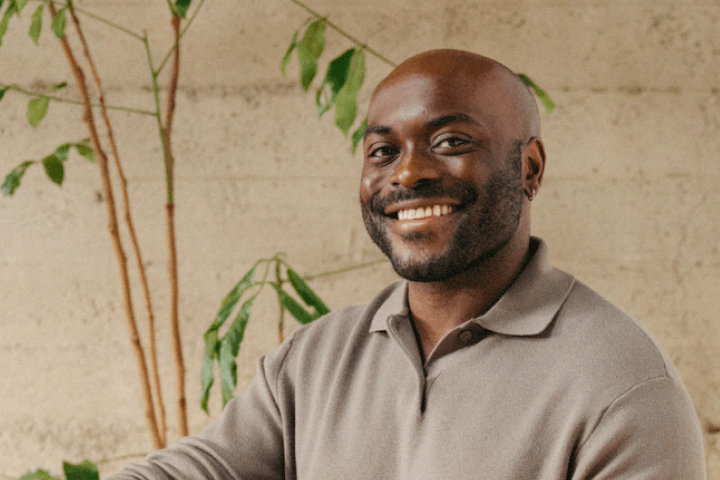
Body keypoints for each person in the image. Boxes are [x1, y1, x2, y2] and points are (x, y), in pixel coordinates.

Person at [112, 49, 706, 479]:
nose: (406, 173)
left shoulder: (625, 389)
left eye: (450, 142)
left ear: (530, 169)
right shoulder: (313, 361)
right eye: (383, 151)